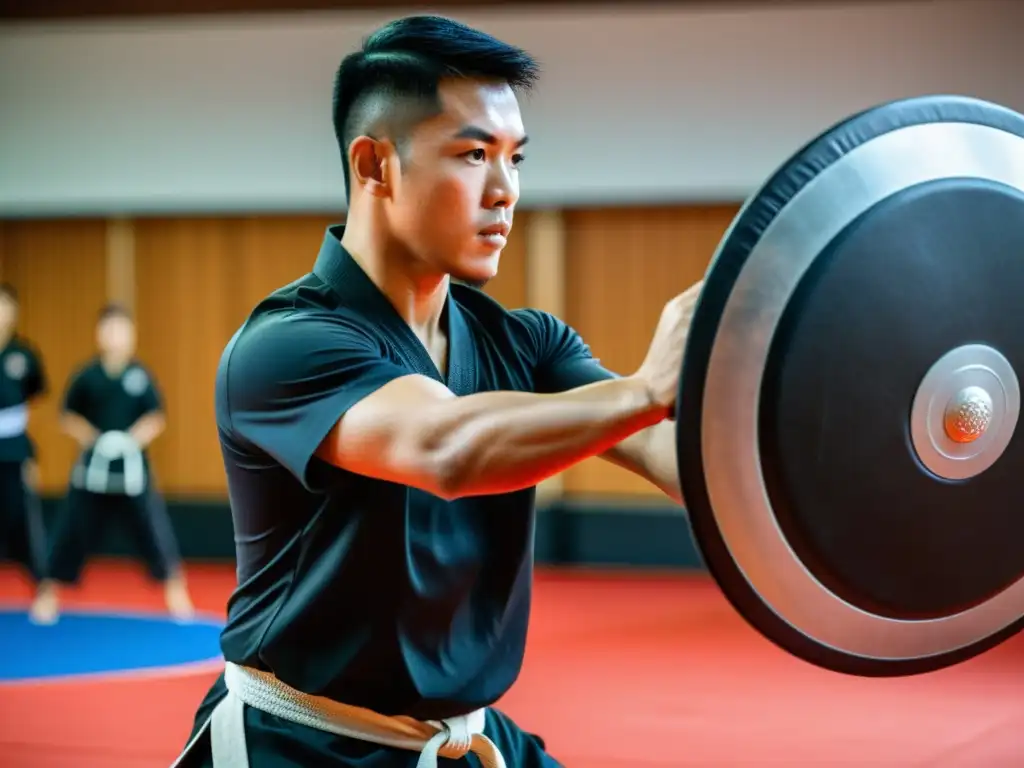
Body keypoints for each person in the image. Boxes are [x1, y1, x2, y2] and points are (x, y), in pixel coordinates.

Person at [174, 15, 701, 768]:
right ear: (375, 164)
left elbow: (674, 453)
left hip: (468, 738)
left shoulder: (527, 343)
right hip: (299, 744)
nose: (505, 191)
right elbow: (446, 446)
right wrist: (650, 388)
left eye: (516, 158)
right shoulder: (284, 346)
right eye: (474, 154)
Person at [31, 304, 194, 624]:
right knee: (70, 529)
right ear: (99, 334)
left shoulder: (140, 375)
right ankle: (48, 595)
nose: (116, 337)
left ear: (132, 335)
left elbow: (156, 417)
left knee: (153, 531)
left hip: (132, 471)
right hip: (93, 471)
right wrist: (94, 438)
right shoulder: (87, 376)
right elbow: (68, 416)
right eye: (110, 329)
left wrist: (131, 439)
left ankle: (176, 594)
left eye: (122, 330)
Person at [0, 284, 51, 622]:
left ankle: (44, 589)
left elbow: (35, 391)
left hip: (14, 451)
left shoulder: (23, 355)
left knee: (23, 520)